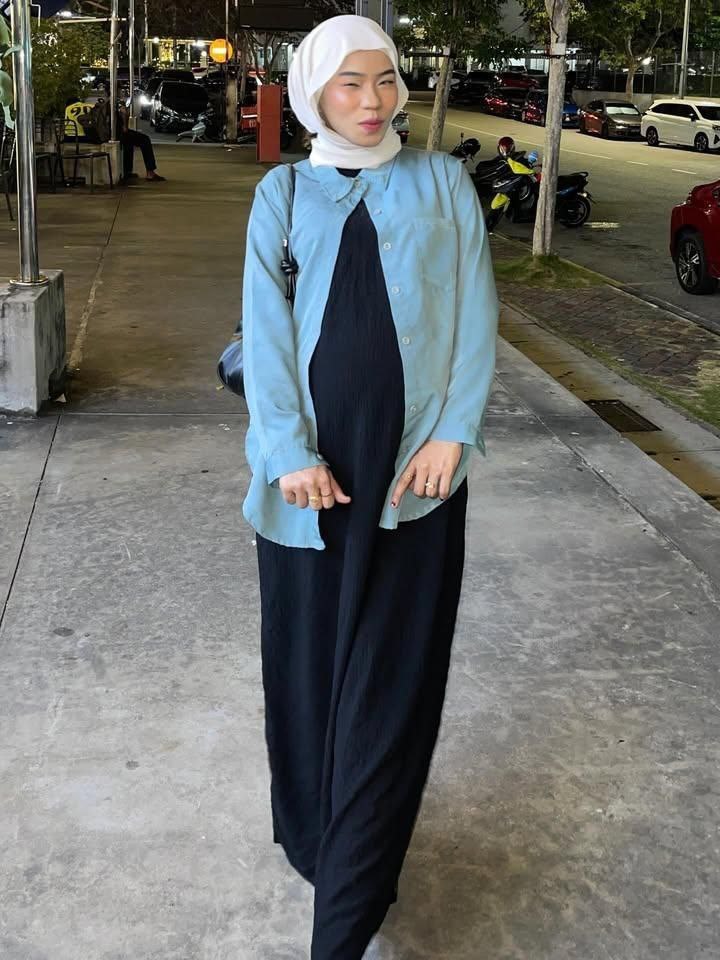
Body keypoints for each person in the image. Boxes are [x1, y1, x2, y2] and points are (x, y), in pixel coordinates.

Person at [239, 14, 498, 959]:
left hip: (413, 477)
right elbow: (264, 331)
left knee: (392, 681)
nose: (372, 100)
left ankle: (345, 916)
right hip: (313, 483)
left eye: (385, 79)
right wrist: (287, 453)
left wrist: (454, 432)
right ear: (314, 90)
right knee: (310, 670)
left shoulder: (443, 182)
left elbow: (476, 312)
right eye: (349, 82)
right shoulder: (282, 192)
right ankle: (317, 839)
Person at [115, 101, 166, 183]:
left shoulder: (110, 103)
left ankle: (127, 172)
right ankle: (150, 172)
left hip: (114, 133)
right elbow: (125, 126)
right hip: (118, 134)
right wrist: (125, 121)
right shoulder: (117, 103)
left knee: (129, 143)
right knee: (145, 140)